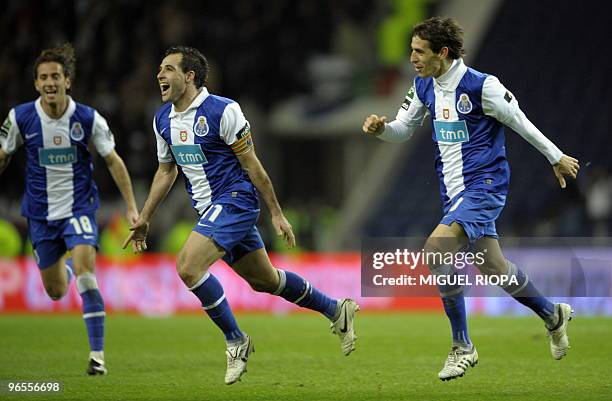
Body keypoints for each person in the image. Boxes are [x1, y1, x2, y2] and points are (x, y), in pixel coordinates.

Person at [123, 46, 358, 385]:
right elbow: (165, 172)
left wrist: (276, 212)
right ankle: (337, 310)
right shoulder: (163, 120)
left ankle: (236, 340)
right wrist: (145, 217)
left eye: (169, 69)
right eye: (160, 68)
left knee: (188, 266)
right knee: (266, 281)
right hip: (210, 210)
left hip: (235, 199)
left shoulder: (223, 110)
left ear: (189, 76)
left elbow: (253, 165)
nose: (160, 74)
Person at [362, 17, 580, 381]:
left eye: (419, 51)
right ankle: (552, 315)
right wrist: (382, 128)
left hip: (485, 185)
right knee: (494, 268)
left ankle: (462, 346)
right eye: (412, 50)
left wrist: (555, 156)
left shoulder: (482, 86)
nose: (412, 58)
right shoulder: (422, 86)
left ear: (442, 53)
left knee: (435, 251)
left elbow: (520, 121)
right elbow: (402, 130)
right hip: (454, 193)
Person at [0, 43, 139, 375]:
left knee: (88, 276)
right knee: (56, 291)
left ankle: (97, 357)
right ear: (36, 83)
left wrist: (133, 208)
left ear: (68, 81)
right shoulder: (20, 117)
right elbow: (3, 155)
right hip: (41, 215)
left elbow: (113, 162)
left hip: (79, 208)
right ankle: (70, 269)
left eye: (56, 77)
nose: (50, 82)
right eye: (44, 77)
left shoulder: (88, 118)